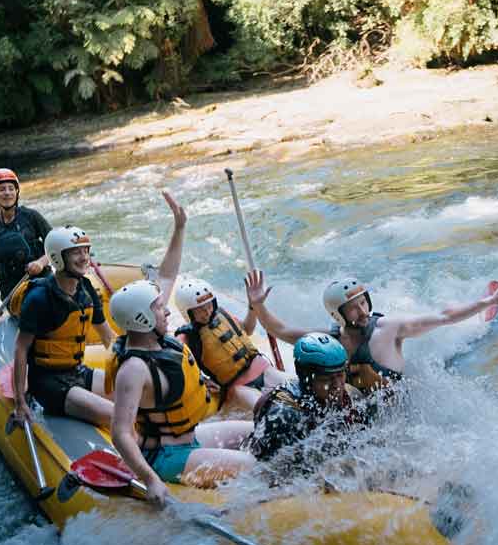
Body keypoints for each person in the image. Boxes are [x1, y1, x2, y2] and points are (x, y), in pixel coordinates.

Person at [107, 193, 256, 506]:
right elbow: (120, 433)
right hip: (166, 457)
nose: (166, 312)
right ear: (142, 318)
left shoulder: (158, 340)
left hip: (193, 436)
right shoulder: (133, 369)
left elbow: (166, 274)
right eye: (159, 309)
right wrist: (149, 479)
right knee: (258, 469)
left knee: (264, 428)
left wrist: (180, 227)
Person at [244, 270, 498, 394]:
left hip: (397, 414)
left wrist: (487, 302)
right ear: (338, 315)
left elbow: (443, 317)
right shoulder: (330, 342)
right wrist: (257, 304)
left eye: (363, 302)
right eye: (352, 308)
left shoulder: (389, 330)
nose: (362, 311)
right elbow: (279, 329)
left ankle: (479, 312)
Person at [12, 226, 115, 429]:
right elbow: (20, 348)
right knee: (116, 415)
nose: (84, 257)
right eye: (76, 252)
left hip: (77, 372)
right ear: (57, 258)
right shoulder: (39, 298)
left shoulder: (86, 289)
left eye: (86, 250)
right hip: (48, 383)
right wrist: (19, 401)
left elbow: (108, 338)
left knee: (137, 397)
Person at [244, 332, 363, 465]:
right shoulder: (283, 416)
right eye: (326, 379)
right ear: (306, 378)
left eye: (340, 375)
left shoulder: (351, 396)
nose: (337, 386)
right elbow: (272, 472)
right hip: (258, 453)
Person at [173, 277, 290, 412]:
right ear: (188, 312)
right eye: (200, 309)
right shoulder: (186, 337)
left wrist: (253, 307)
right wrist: (204, 381)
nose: (207, 311)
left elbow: (248, 329)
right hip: (237, 387)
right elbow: (179, 371)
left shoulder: (222, 315)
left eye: (209, 305)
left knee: (297, 385)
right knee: (269, 410)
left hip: (261, 368)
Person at [0, 167, 52, 322]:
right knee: (35, 305)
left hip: (43, 280)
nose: (7, 193)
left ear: (17, 192)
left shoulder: (32, 217)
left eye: (11, 188)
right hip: (13, 292)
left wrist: (41, 262)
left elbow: (55, 246)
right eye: (1, 189)